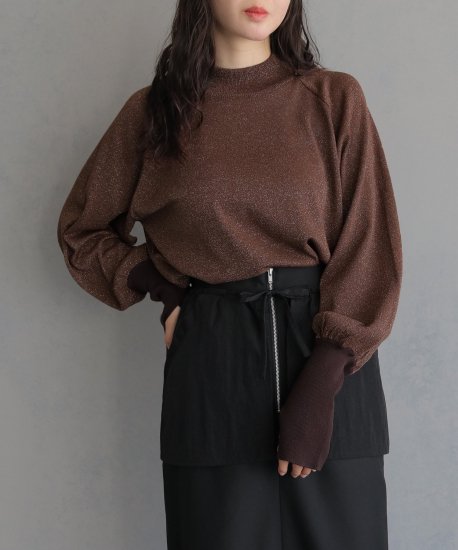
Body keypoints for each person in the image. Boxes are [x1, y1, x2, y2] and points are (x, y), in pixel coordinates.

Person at [57, 1, 403, 548]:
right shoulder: (154, 113)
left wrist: (321, 385)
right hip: (212, 373)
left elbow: (370, 245)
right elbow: (83, 229)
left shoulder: (333, 97)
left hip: (331, 375)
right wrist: (165, 291)